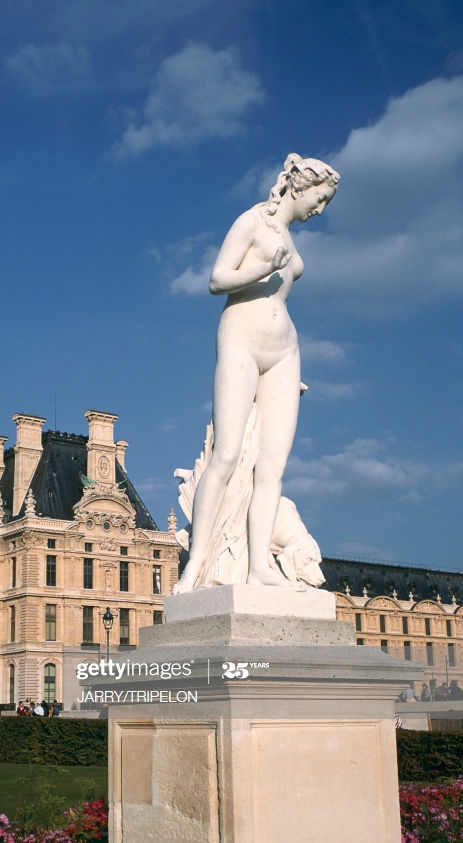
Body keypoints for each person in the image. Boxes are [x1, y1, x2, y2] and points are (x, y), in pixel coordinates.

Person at [174, 153, 339, 593]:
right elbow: (216, 280)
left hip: (285, 351)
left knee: (272, 468)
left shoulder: (288, 236)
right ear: (299, 187)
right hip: (241, 340)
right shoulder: (251, 221)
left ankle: (258, 568)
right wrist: (264, 268)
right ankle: (196, 566)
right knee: (226, 456)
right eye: (319, 200)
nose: (319, 210)